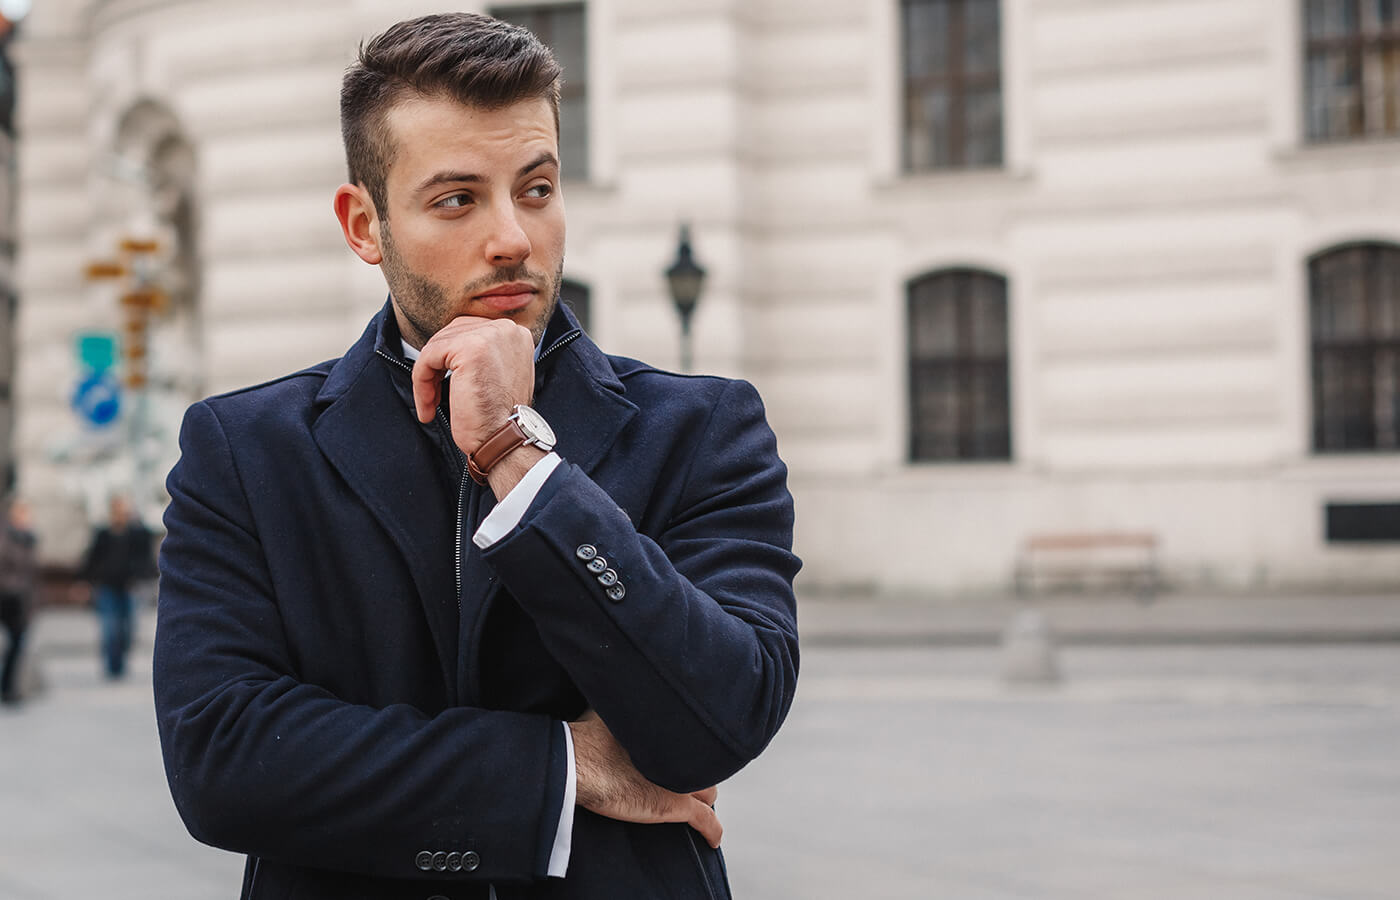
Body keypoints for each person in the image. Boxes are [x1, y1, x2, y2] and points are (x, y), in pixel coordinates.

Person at [153, 12, 800, 900]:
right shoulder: (246, 451)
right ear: (363, 225)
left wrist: (516, 459)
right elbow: (223, 759)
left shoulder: (701, 428)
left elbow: (721, 717)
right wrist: (559, 772)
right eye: (457, 199)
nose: (513, 239)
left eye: (535, 188)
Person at [80, 495, 156, 679]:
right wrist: (84, 581)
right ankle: (113, 666)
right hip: (107, 587)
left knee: (128, 628)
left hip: (130, 587)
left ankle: (121, 659)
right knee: (109, 628)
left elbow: (147, 557)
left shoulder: (137, 533)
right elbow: (91, 558)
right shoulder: (103, 534)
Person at [0, 497, 37, 705]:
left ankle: (9, 688)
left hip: (22, 600)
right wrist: (13, 586)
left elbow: (33, 574)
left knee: (17, 644)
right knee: (13, 643)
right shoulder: (6, 537)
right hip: (6, 598)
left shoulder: (28, 538)